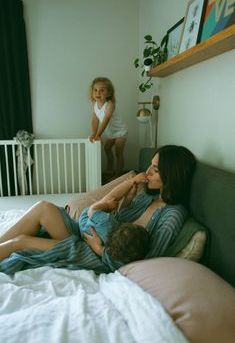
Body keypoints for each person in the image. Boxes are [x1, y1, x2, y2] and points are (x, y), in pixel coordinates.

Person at [0, 144, 196, 275]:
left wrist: (99, 249)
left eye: (156, 169)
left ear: (172, 175)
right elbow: (114, 213)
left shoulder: (173, 215)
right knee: (43, 207)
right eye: (150, 165)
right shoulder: (147, 195)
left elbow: (147, 259)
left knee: (20, 243)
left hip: (96, 255)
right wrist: (127, 195)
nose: (148, 172)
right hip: (89, 233)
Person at [88, 77, 128, 177]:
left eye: (102, 90)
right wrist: (94, 133)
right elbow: (95, 120)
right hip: (111, 133)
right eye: (95, 90)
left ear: (109, 93)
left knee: (118, 153)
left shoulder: (110, 105)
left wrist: (98, 135)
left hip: (120, 131)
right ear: (92, 92)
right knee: (107, 148)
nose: (98, 93)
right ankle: (110, 170)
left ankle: (118, 174)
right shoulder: (95, 105)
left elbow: (105, 120)